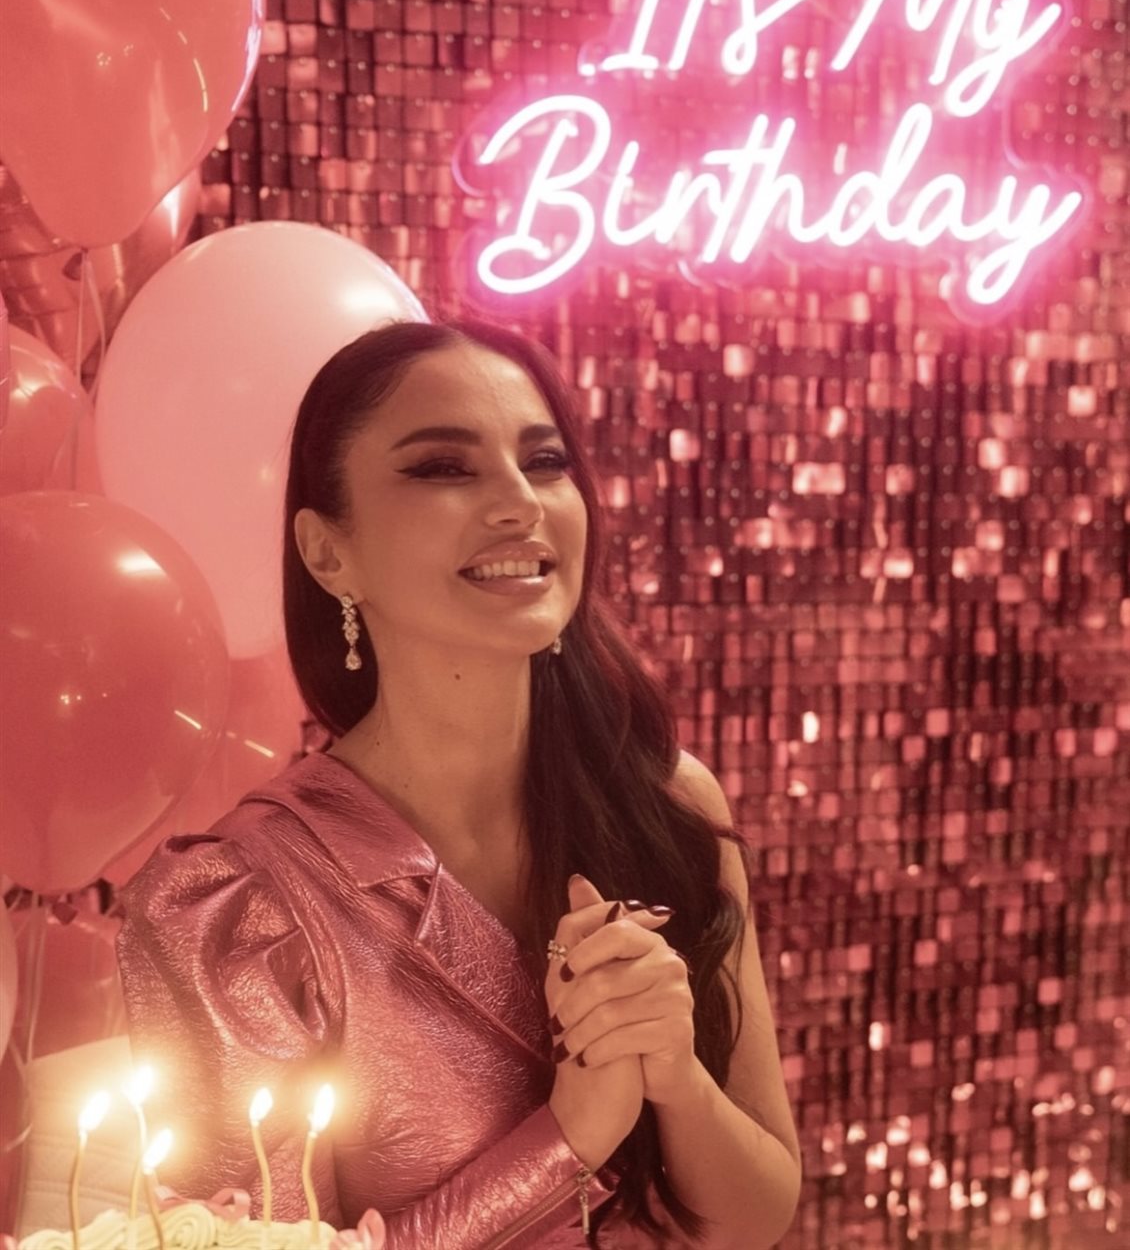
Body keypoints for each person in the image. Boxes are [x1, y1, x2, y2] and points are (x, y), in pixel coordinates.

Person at [117, 315, 801, 1249]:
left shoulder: (668, 804)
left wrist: (674, 1076)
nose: (519, 502)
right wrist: (569, 1137)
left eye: (545, 462)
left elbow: (756, 1218)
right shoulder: (236, 905)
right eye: (443, 467)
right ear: (328, 553)